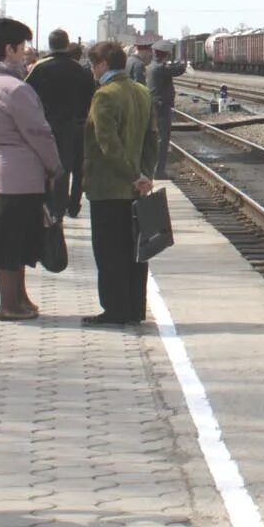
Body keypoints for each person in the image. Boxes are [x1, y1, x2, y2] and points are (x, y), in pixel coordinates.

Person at [0, 17, 62, 322]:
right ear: (9, 49)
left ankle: (19, 298)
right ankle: (9, 304)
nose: (26, 53)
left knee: (11, 241)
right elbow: (38, 133)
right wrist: (54, 166)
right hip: (18, 176)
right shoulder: (14, 88)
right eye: (22, 47)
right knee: (11, 243)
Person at [82, 42, 158, 327]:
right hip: (136, 188)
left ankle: (115, 309)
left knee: (109, 250)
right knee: (135, 251)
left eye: (93, 64)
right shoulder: (141, 92)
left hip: (109, 187)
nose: (91, 70)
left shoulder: (104, 96)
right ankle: (135, 308)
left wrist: (131, 175)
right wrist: (145, 175)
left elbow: (108, 144)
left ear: (102, 64)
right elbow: (153, 138)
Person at [28, 28, 96, 220]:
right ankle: (68, 207)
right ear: (67, 44)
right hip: (74, 124)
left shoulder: (39, 68)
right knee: (72, 167)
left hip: (46, 125)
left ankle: (50, 207)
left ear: (50, 45)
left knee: (48, 167)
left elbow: (27, 95)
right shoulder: (79, 69)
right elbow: (91, 97)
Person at [145, 50, 187, 178]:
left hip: (156, 105)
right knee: (162, 139)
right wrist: (184, 64)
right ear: (164, 56)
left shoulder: (152, 66)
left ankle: (156, 169)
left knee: (158, 138)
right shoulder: (159, 68)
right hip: (161, 106)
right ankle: (159, 171)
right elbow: (176, 71)